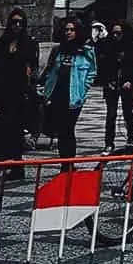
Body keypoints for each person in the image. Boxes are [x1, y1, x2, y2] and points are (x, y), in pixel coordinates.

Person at [40, 17, 96, 162]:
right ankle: (64, 161)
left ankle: (69, 162)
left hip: (74, 95)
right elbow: (51, 70)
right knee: (61, 130)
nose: (68, 33)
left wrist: (84, 89)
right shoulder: (58, 50)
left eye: (72, 30)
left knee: (68, 128)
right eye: (66, 30)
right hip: (58, 92)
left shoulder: (86, 51)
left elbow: (92, 72)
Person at [0, 8, 39, 165]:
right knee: (1, 128)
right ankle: (1, 162)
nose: (17, 25)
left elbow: (32, 68)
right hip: (2, 90)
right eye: (14, 22)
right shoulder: (1, 44)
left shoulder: (28, 44)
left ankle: (16, 164)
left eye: (20, 23)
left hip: (20, 91)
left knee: (16, 129)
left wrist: (30, 89)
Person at [97, 20, 133, 150]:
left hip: (127, 84)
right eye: (114, 33)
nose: (115, 36)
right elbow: (103, 67)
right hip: (112, 84)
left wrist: (130, 81)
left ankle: (132, 138)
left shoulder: (131, 47)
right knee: (111, 114)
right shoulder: (108, 46)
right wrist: (107, 82)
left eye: (118, 33)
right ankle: (109, 143)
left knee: (128, 112)